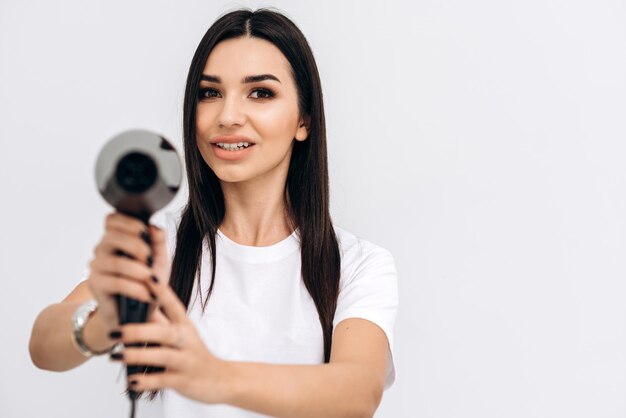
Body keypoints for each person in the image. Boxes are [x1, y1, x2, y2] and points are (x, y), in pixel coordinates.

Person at [29, 7, 398, 418]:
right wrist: (104, 320)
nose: (227, 116)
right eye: (210, 93)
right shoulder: (161, 246)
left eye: (260, 93)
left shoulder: (357, 263)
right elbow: (44, 346)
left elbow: (358, 392)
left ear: (304, 120)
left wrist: (215, 377)